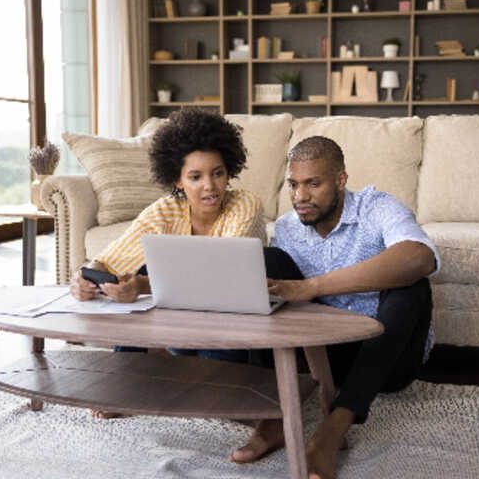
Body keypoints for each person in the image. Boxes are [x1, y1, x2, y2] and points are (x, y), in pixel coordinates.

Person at [229, 136, 440, 479]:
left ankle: (334, 428)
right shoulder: (286, 227)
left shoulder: (378, 208)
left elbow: (419, 257)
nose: (300, 197)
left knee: (412, 284)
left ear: (341, 180)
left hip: (388, 359)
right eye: (294, 185)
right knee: (268, 260)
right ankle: (274, 418)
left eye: (313, 183)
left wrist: (312, 286)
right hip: (323, 357)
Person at [70, 108, 266, 390]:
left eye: (218, 173)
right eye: (195, 177)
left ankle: (182, 372)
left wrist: (143, 285)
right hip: (181, 327)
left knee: (209, 391)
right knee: (144, 270)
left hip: (231, 327)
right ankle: (125, 383)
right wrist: (84, 278)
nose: (209, 186)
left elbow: (222, 281)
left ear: (229, 172)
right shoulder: (165, 210)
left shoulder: (245, 205)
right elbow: (107, 262)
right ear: (178, 180)